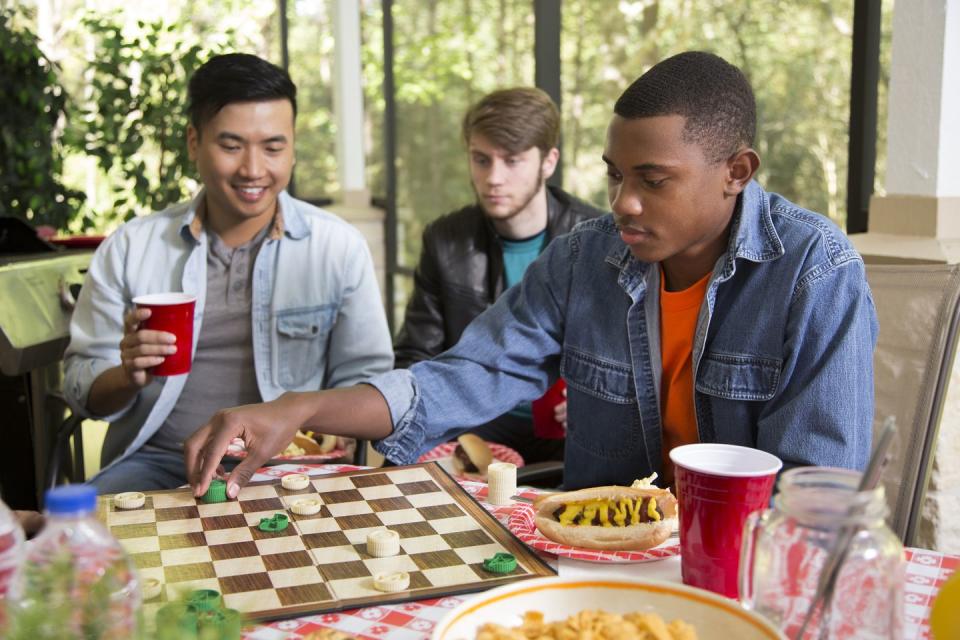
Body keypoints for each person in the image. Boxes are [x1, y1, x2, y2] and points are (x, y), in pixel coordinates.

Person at [185, 51, 878, 500]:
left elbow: (816, 499)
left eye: (653, 180)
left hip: (737, 569)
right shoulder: (586, 258)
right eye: (614, 177)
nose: (623, 203)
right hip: (592, 555)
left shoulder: (817, 275)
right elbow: (463, 376)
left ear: (737, 172)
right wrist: (300, 406)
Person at [63, 53, 394, 493]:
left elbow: (372, 388)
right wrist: (126, 376)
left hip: (291, 468)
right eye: (232, 146)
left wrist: (306, 418)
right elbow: (80, 388)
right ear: (194, 143)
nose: (253, 170)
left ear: (293, 146)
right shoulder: (130, 248)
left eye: (273, 147)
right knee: (85, 550)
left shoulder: (337, 247)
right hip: (157, 465)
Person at [393, 87, 603, 464]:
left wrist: (596, 397)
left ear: (548, 161)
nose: (493, 178)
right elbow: (415, 355)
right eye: (481, 159)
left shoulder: (596, 239)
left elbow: (635, 358)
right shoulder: (445, 240)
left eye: (512, 161)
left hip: (573, 435)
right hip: (477, 428)